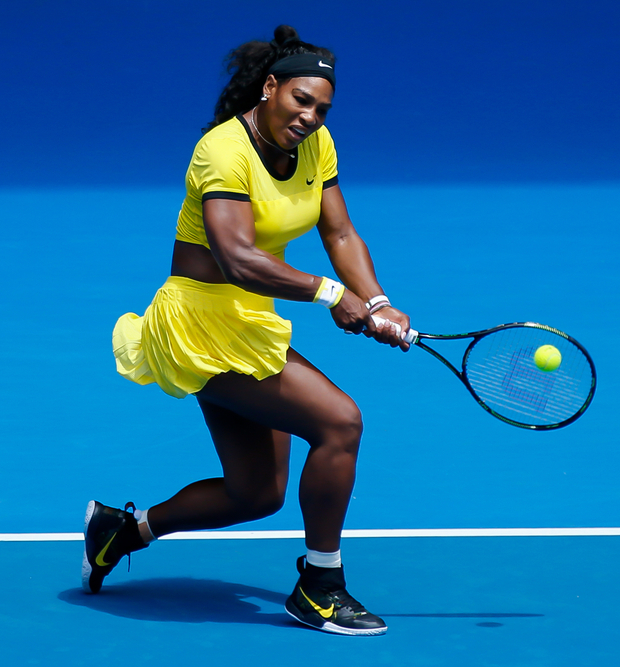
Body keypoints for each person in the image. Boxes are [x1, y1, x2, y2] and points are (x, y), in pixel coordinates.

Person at [81, 25, 409, 637]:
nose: (310, 117)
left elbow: (339, 233)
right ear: (270, 87)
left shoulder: (317, 146)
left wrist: (379, 299)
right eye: (300, 101)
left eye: (322, 108)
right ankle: (320, 586)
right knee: (340, 421)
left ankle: (121, 531)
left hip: (249, 321)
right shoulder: (222, 149)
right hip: (199, 321)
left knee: (256, 492)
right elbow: (235, 257)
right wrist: (332, 295)